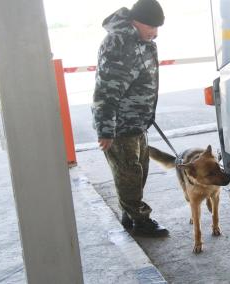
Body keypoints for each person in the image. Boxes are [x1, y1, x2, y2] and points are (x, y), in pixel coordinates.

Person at [92, 0, 168, 237]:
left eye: (157, 28)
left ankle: (129, 212)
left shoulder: (141, 40)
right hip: (120, 125)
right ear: (137, 21)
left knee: (139, 172)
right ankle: (141, 221)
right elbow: (106, 90)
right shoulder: (120, 44)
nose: (154, 33)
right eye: (151, 27)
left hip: (137, 123)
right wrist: (106, 130)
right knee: (129, 174)